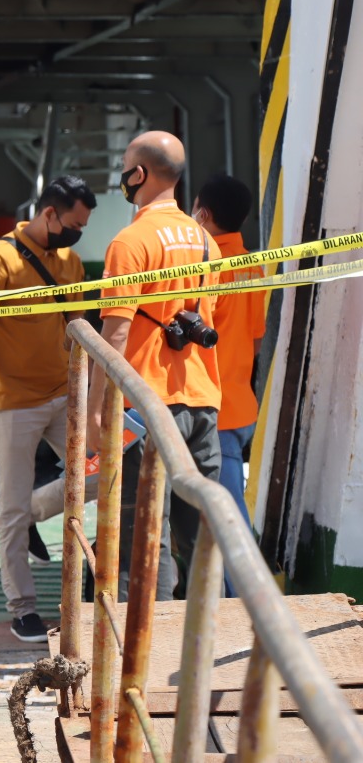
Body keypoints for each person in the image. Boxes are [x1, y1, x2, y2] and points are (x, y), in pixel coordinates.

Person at [87, 131, 223, 601]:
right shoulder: (207, 241)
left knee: (143, 538)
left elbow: (116, 334)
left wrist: (94, 412)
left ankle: (141, 653)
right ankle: (206, 641)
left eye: (126, 167)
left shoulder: (130, 242)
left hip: (145, 407)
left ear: (139, 174)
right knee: (201, 534)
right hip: (202, 403)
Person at [0, 176, 96, 643]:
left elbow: (79, 327)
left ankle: (38, 511)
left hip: (63, 394)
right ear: (49, 214)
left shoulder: (71, 260)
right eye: (74, 224)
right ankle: (22, 608)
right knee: (9, 507)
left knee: (104, 472)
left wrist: (90, 396)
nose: (77, 234)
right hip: (13, 401)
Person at [192, 174, 265, 593]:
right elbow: (255, 338)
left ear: (203, 214)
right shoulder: (251, 266)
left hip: (211, 411)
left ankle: (249, 603)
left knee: (226, 516)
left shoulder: (205, 268)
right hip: (239, 404)